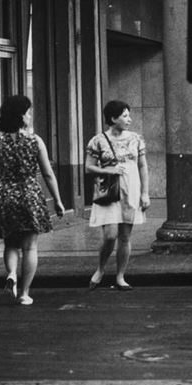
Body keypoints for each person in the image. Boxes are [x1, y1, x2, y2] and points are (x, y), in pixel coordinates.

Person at [0, 94, 65, 306]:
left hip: (5, 196)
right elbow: (48, 174)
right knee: (29, 247)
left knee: (10, 243)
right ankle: (24, 293)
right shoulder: (35, 141)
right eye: (28, 112)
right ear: (21, 116)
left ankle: (11, 274)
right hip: (30, 195)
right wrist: (57, 200)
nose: (30, 116)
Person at [85, 100, 150, 291]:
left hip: (131, 189)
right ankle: (101, 268)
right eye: (125, 116)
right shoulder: (98, 140)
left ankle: (120, 276)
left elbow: (143, 166)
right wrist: (109, 170)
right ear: (113, 118)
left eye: (129, 115)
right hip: (109, 191)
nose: (129, 119)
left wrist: (145, 193)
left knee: (125, 236)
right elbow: (88, 167)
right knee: (110, 235)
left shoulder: (136, 139)